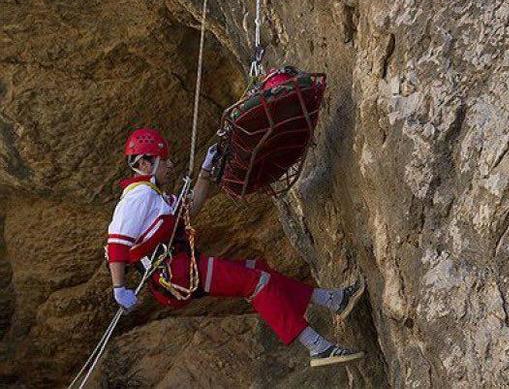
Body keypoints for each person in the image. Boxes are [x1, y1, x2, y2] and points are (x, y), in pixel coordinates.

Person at [105, 128, 365, 367]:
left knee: (256, 269)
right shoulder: (138, 197)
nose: (170, 165)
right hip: (176, 275)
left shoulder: (154, 195)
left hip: (182, 269)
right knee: (257, 282)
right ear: (143, 164)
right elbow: (116, 244)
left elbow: (189, 209)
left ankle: (333, 300)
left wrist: (206, 172)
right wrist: (119, 288)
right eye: (164, 161)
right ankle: (317, 346)